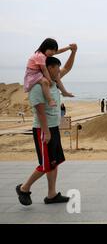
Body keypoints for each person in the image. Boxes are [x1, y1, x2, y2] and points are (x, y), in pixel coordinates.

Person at [16, 44, 78, 206]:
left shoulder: (53, 82)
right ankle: (24, 188)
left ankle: (51, 195)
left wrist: (73, 52)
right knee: (45, 164)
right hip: (43, 130)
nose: (59, 71)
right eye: (56, 69)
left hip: (53, 128)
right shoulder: (38, 86)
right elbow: (40, 111)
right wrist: (47, 132)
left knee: (54, 162)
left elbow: (68, 67)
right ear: (48, 68)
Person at [24, 38, 75, 107]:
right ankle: (50, 100)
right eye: (52, 50)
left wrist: (69, 48)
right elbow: (44, 70)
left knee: (57, 77)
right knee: (45, 82)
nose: (53, 53)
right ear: (45, 47)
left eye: (54, 51)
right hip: (33, 74)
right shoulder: (40, 56)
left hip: (38, 72)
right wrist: (49, 80)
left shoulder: (45, 54)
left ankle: (64, 92)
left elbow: (59, 51)